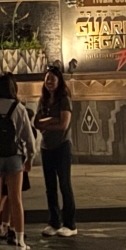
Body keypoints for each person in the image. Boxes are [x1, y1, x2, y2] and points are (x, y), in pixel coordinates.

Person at [0, 73, 36, 250]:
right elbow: (29, 139)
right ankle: (20, 242)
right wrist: (29, 159)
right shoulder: (19, 108)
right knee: (16, 200)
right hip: (14, 158)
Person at [35, 65, 77, 237]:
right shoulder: (43, 100)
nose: (49, 82)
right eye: (47, 79)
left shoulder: (64, 100)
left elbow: (63, 125)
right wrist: (52, 119)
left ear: (59, 81)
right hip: (46, 147)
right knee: (50, 187)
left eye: (52, 79)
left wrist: (47, 123)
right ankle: (54, 222)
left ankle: (70, 224)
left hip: (62, 147)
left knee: (64, 184)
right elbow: (36, 123)